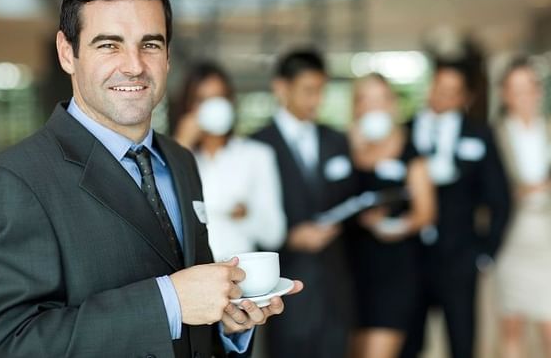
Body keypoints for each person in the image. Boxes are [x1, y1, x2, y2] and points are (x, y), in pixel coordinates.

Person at [0, 0, 302, 357]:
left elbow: (193, 309)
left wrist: (227, 321)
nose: (134, 65)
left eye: (150, 45)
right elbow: (11, 343)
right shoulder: (16, 179)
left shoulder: (181, 161)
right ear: (66, 52)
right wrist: (167, 303)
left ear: (168, 55)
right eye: (109, 45)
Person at [400, 62, 511, 358]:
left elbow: (500, 198)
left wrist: (485, 253)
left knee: (462, 341)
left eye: (452, 91)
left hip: (460, 256)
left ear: (465, 97)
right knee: (406, 341)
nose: (442, 97)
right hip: (409, 257)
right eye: (438, 88)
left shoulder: (479, 133)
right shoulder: (404, 131)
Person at [252, 49, 356, 358]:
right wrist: (290, 236)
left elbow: (349, 194)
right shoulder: (256, 146)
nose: (317, 100)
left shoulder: (337, 140)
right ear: (281, 88)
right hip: (285, 286)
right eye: (308, 90)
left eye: (321, 90)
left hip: (335, 286)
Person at [346, 73, 435, 358]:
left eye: (380, 99)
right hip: (351, 271)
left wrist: (393, 225)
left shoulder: (410, 152)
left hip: (395, 270)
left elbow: (426, 213)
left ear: (393, 105)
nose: (373, 107)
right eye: (365, 100)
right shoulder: (343, 149)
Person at [169, 61, 286, 261]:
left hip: (243, 274)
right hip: (191, 275)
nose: (213, 106)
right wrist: (181, 145)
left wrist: (246, 216)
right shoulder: (172, 157)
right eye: (202, 100)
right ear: (188, 107)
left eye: (219, 98)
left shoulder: (257, 155)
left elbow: (275, 235)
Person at [493, 57, 551, 358]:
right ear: (504, 93)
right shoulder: (495, 133)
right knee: (512, 323)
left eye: (529, 88)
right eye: (516, 89)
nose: (524, 96)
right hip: (511, 234)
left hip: (547, 234)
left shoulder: (549, 128)